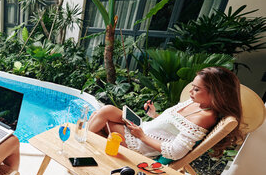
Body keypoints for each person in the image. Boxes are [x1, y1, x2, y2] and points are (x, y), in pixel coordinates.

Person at [88, 67, 243, 161]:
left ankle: (83, 142)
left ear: (216, 94)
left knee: (103, 115)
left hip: (142, 144)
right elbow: (173, 128)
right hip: (143, 129)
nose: (190, 91)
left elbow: (175, 152)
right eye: (192, 86)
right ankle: (88, 141)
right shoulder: (196, 103)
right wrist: (154, 115)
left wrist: (142, 136)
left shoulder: (203, 118)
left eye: (196, 89)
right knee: (101, 114)